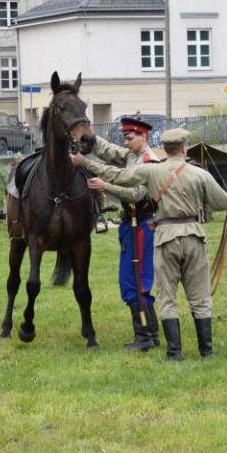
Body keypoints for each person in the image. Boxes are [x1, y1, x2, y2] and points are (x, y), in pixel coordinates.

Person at [72, 128, 227, 360]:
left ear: (165, 147)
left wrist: (85, 163)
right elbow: (223, 202)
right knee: (200, 296)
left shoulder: (150, 170)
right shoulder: (200, 174)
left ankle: (174, 353)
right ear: (184, 148)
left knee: (166, 297)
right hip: (193, 236)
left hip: (165, 236)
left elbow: (115, 175)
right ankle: (206, 352)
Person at [88, 115, 160, 351]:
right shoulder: (133, 155)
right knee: (135, 281)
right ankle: (151, 334)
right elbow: (109, 151)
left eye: (130, 138)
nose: (126, 143)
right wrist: (87, 134)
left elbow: (136, 194)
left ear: (143, 136)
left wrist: (105, 186)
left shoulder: (148, 161)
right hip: (132, 224)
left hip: (142, 225)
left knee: (135, 282)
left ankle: (144, 337)